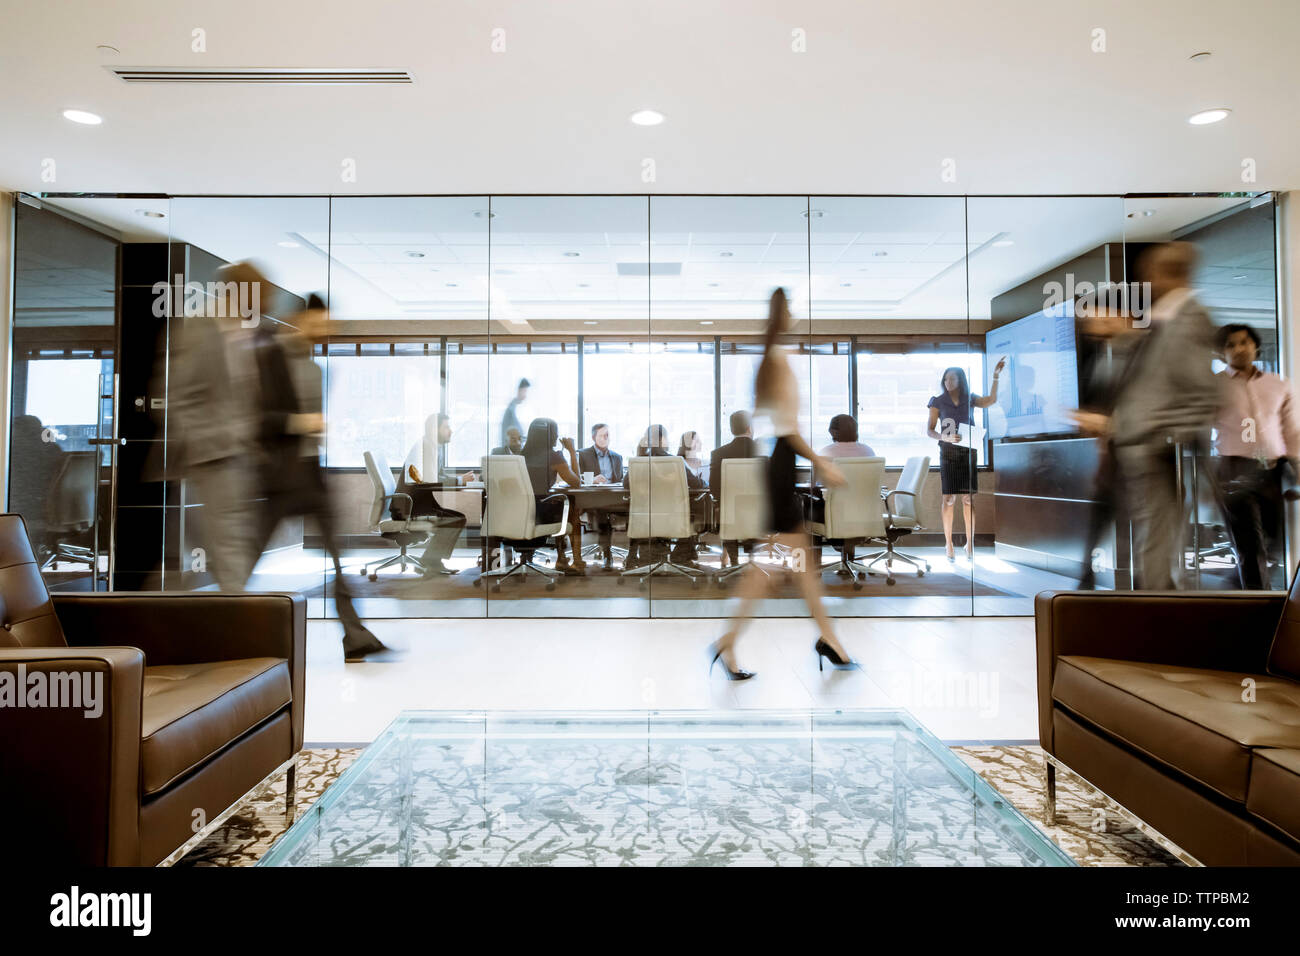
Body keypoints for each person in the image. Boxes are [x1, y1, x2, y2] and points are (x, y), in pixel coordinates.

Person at [711, 289, 854, 680]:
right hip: (781, 464)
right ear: (782, 313)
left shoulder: (773, 360)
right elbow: (788, 431)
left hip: (780, 466)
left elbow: (781, 427)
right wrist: (822, 461)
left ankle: (828, 641)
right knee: (775, 567)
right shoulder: (776, 361)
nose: (793, 314)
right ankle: (731, 641)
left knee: (793, 566)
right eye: (790, 308)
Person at [250, 293, 389, 661]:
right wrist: (301, 423)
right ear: (303, 319)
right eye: (321, 322)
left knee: (338, 556)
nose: (327, 329)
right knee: (248, 556)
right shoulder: (270, 355)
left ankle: (354, 634)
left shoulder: (316, 369)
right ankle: (223, 622)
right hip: (280, 476)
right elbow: (256, 418)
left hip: (310, 473)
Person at [1106, 242, 1220, 589]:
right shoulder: (1165, 317)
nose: (1148, 281)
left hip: (1161, 447)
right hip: (1143, 446)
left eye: (1150, 274)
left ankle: (1156, 614)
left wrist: (1171, 434)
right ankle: (1155, 607)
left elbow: (1202, 389)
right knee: (1155, 533)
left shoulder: (1191, 318)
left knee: (1160, 534)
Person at [169, 260, 265, 591]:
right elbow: (178, 395)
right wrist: (211, 440)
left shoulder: (245, 331)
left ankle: (234, 612)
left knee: (233, 540)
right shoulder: (200, 328)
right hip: (214, 455)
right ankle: (240, 621)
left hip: (243, 455)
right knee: (228, 543)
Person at [1213, 323, 1300, 589]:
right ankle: (1260, 604)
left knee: (1273, 542)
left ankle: (1237, 588)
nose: (1239, 349)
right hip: (1234, 470)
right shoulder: (1213, 387)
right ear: (1221, 353)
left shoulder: (1279, 384)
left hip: (1274, 469)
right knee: (1250, 545)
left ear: (1256, 346)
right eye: (1230, 345)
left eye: (1244, 342)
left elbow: (1291, 430)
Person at [926, 360, 1005, 560]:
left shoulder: (969, 398)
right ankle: (949, 543)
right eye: (945, 378)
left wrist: (995, 376)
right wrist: (945, 437)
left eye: (952, 378)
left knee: (968, 499)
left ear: (961, 380)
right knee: (949, 499)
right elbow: (930, 430)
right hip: (948, 453)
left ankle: (970, 543)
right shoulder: (937, 401)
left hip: (968, 452)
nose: (948, 382)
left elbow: (991, 400)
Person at [395, 413, 474, 576]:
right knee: (455, 519)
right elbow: (432, 481)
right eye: (446, 427)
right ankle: (431, 561)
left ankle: (431, 561)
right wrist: (459, 480)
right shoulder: (427, 447)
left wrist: (460, 480)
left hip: (416, 503)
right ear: (434, 430)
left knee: (456, 518)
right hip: (411, 507)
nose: (451, 431)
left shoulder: (430, 446)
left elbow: (437, 477)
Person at [625, 424, 707, 568]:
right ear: (662, 439)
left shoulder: (640, 461)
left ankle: (644, 556)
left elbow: (626, 484)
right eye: (667, 438)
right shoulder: (674, 461)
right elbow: (697, 485)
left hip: (646, 520)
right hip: (672, 520)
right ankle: (680, 556)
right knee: (694, 509)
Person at [521, 417, 585, 573]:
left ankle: (562, 557)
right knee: (570, 508)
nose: (557, 437)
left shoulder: (519, 455)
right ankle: (575, 560)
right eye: (556, 433)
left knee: (559, 506)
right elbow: (576, 483)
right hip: (540, 512)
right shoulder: (554, 456)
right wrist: (571, 451)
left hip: (520, 512)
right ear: (550, 436)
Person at [710, 410, 758, 567]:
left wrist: (723, 503)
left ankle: (734, 561)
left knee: (728, 515)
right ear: (749, 427)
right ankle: (752, 560)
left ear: (732, 429)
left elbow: (714, 487)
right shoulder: (762, 451)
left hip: (729, 512)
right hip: (757, 512)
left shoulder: (719, 453)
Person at [578, 423, 624, 569]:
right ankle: (606, 552)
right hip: (592, 498)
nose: (605, 438)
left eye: (607, 435)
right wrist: (592, 480)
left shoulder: (617, 457)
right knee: (602, 510)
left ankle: (610, 550)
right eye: (601, 435)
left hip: (613, 497)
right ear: (593, 437)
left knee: (607, 509)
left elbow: (621, 480)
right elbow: (575, 478)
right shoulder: (584, 455)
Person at [500, 378, 530, 449]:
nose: (526, 394)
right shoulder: (511, 409)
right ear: (520, 390)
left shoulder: (515, 407)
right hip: (511, 451)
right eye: (525, 391)